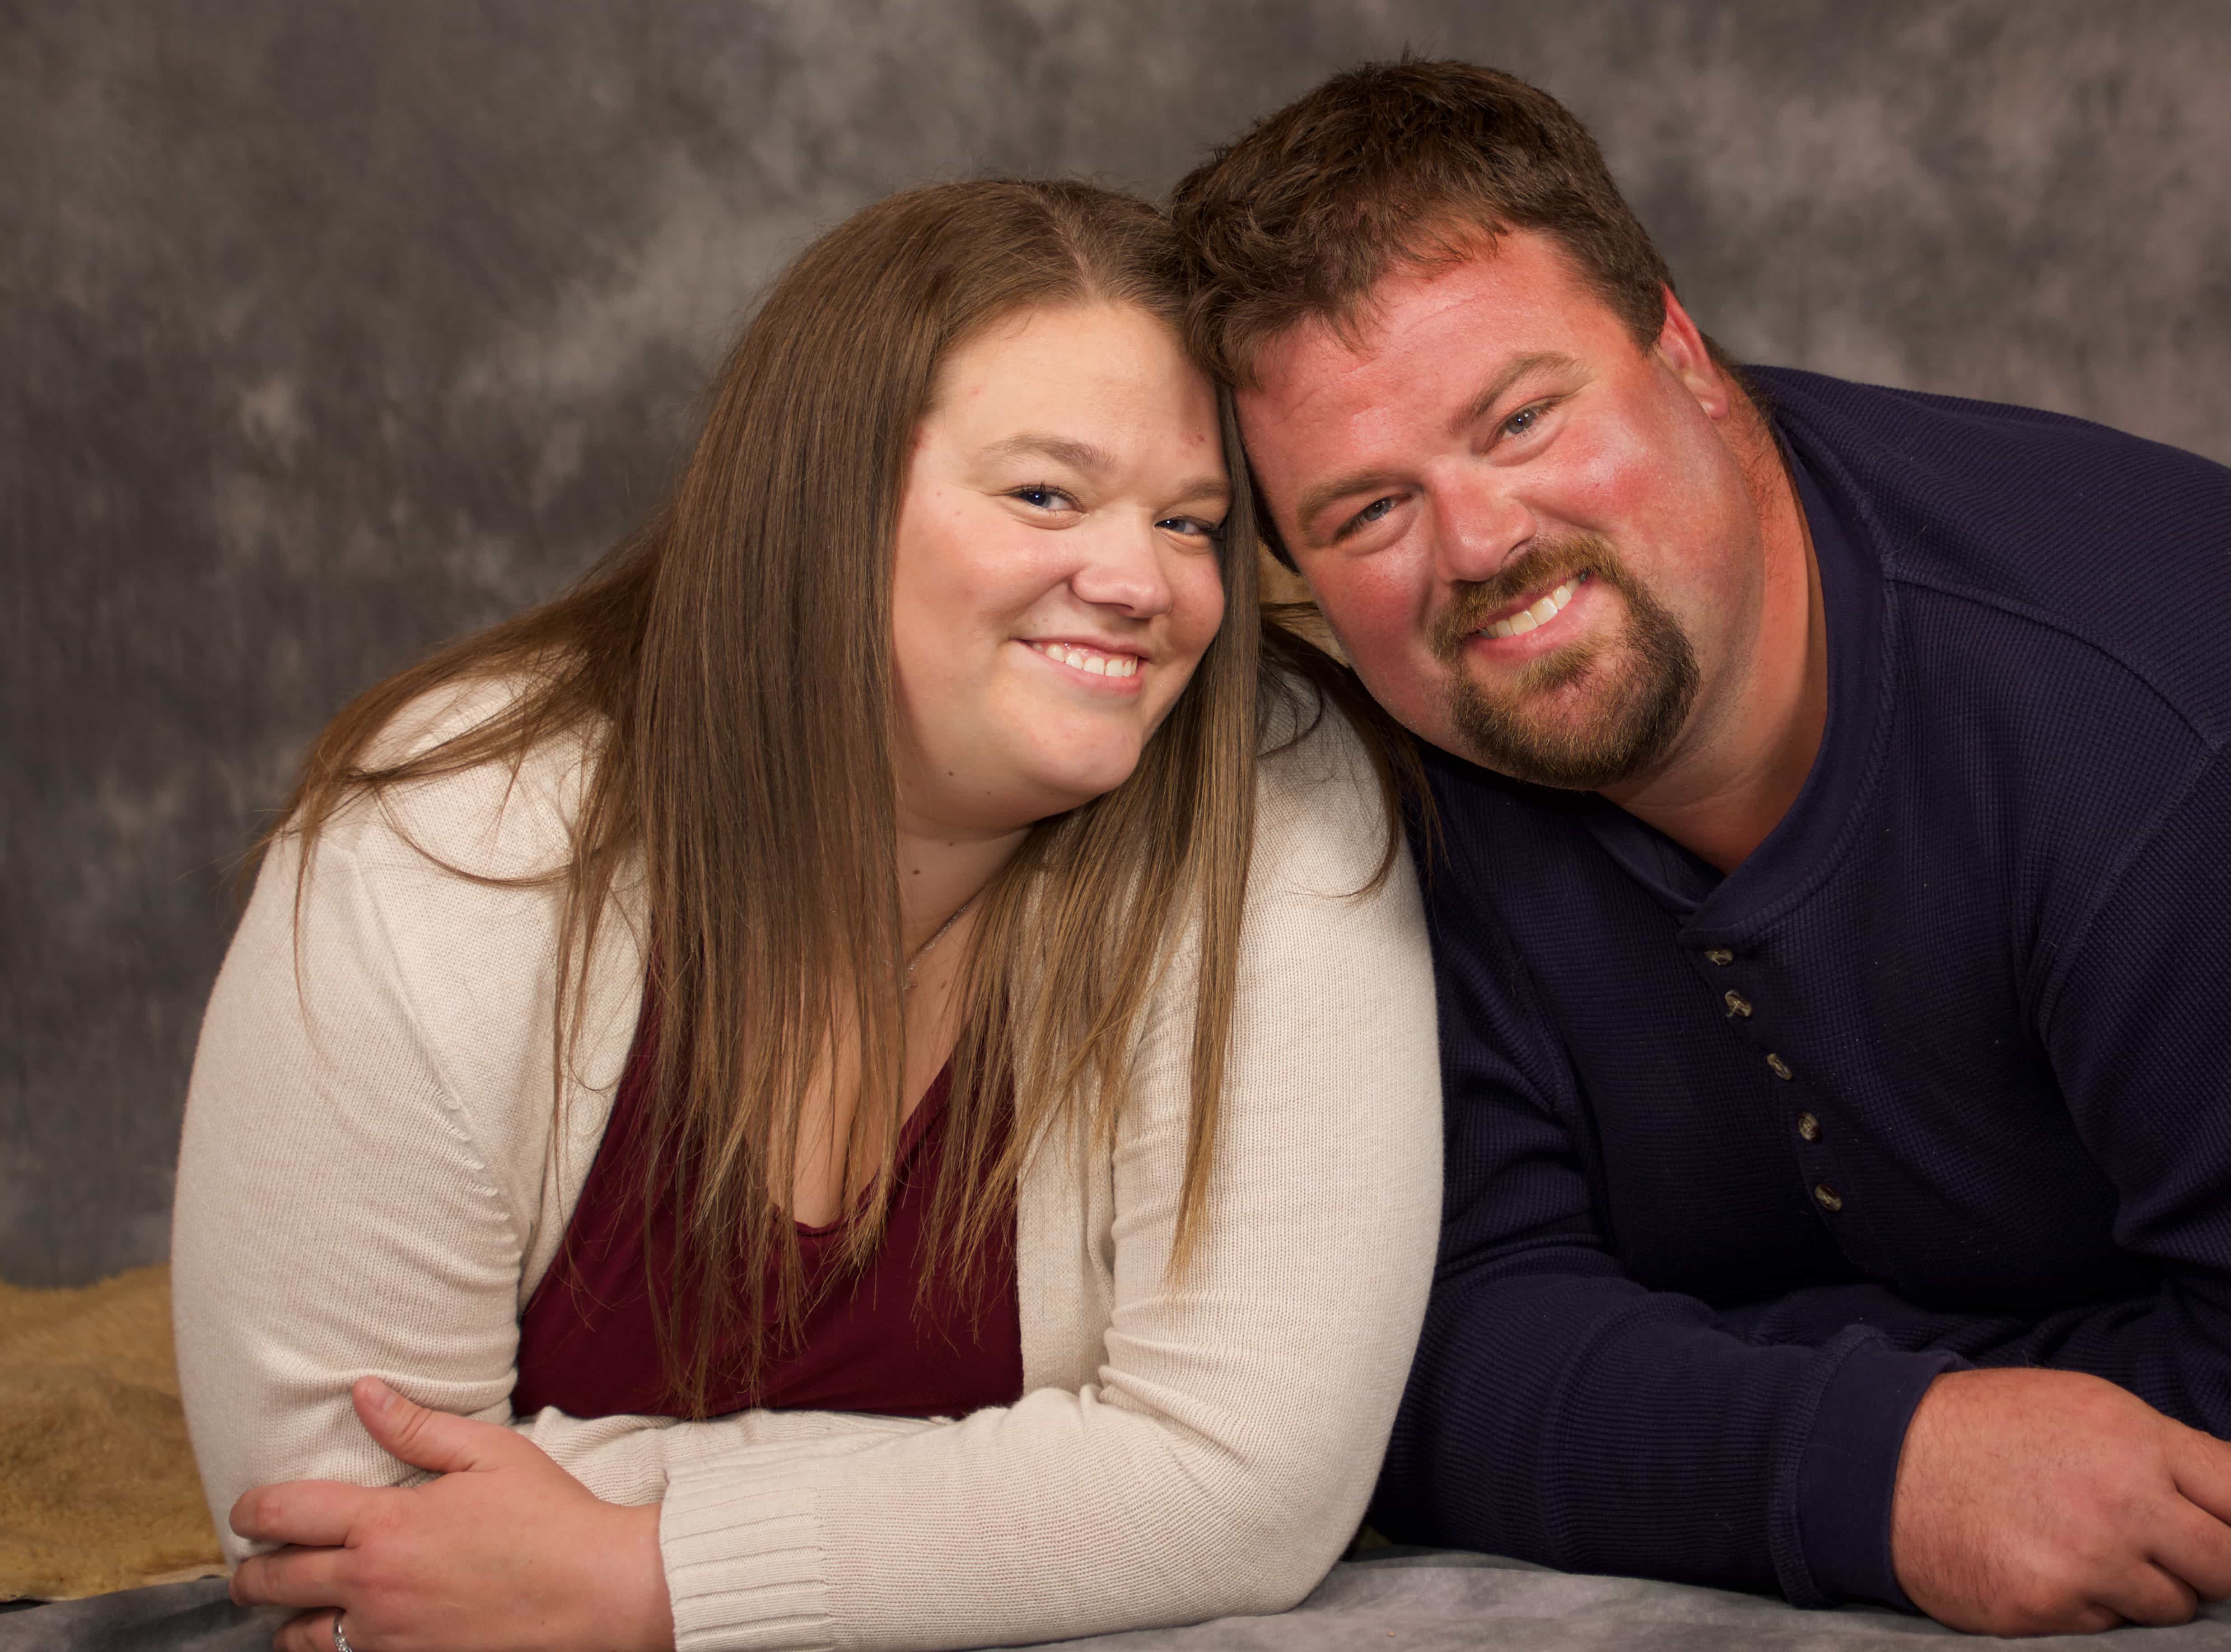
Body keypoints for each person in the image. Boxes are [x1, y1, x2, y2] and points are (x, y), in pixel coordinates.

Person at [1169, 61, 2231, 1637]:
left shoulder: (2193, 738)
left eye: (1522, 416)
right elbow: (1411, 1349)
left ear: (1685, 357)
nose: (1480, 544)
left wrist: (1697, 1372)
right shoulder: (1392, 764)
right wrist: (1867, 1457)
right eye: (1368, 511)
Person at [172, 180, 1442, 1652]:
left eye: (1191, 523)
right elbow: (353, 1541)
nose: (1140, 581)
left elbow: (1249, 1483)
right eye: (1046, 494)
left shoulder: (1267, 797)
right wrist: (1070, 1498)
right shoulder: (447, 850)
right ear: (817, 503)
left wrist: (639, 1573)